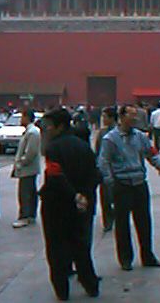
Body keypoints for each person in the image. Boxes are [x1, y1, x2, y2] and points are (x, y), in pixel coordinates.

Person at [39, 107, 100, 300]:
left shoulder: (53, 148)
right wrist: (84, 196)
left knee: (56, 248)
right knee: (80, 245)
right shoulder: (83, 146)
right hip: (81, 205)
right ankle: (90, 284)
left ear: (60, 126)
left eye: (49, 126)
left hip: (57, 205)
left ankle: (62, 290)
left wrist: (73, 195)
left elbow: (55, 176)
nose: (46, 129)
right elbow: (95, 174)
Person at [98, 105, 160, 271]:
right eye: (131, 115)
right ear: (121, 117)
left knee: (144, 222)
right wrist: (110, 182)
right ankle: (125, 258)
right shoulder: (110, 139)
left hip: (139, 183)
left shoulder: (140, 136)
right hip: (122, 184)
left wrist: (159, 164)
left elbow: (150, 152)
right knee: (122, 224)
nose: (135, 118)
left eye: (136, 115)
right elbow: (104, 162)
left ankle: (148, 256)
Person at [11, 110, 41, 228]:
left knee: (25, 193)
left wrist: (21, 163)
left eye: (22, 117)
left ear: (27, 117)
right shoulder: (30, 131)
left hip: (28, 168)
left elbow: (30, 152)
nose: (21, 120)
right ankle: (30, 215)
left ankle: (25, 216)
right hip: (29, 168)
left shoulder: (32, 132)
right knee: (30, 192)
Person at [96, 106, 117, 233]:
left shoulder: (119, 132)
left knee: (116, 197)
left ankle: (116, 216)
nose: (103, 119)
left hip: (117, 169)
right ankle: (107, 221)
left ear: (112, 118)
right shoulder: (102, 133)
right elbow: (98, 151)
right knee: (105, 198)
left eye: (105, 117)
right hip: (104, 169)